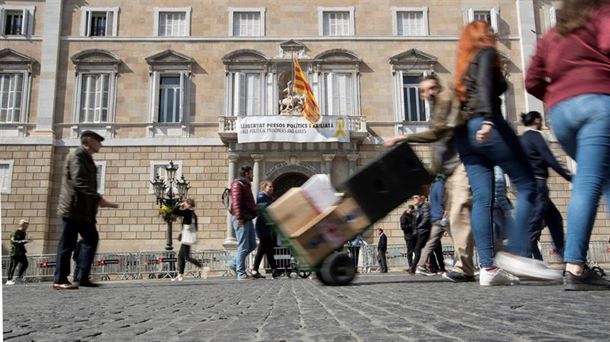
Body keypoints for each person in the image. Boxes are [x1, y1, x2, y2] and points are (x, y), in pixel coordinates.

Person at [453, 20, 560, 286]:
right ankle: (517, 253)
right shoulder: (487, 53)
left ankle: (488, 268)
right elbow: (487, 85)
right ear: (484, 36)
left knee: (482, 199)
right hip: (486, 124)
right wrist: (489, 119)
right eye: (490, 30)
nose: (495, 33)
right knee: (527, 185)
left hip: (464, 135)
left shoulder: (463, 66)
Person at [525, 0, 610, 290]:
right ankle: (574, 266)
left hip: (561, 113)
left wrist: (555, 95)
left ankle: (575, 263)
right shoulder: (603, 11)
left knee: (602, 178)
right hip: (597, 101)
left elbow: (531, 79)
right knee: (590, 181)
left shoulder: (553, 32)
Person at [385, 74, 476, 282]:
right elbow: (438, 148)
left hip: (462, 163)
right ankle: (469, 266)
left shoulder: (446, 100)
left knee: (460, 212)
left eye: (432, 87)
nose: (429, 93)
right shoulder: (436, 109)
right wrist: (431, 176)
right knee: (456, 219)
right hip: (448, 171)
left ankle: (484, 261)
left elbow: (438, 134)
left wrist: (403, 137)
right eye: (425, 90)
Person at [53, 130, 118, 290]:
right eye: (98, 141)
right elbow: (79, 182)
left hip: (84, 211)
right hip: (73, 208)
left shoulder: (86, 158)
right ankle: (60, 279)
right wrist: (99, 199)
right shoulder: (76, 156)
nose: (100, 144)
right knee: (67, 244)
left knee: (91, 239)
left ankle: (82, 276)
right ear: (88, 141)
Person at [519, 111, 572, 260]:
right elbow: (549, 158)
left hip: (530, 184)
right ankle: (526, 258)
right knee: (534, 224)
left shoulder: (522, 139)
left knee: (555, 219)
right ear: (537, 120)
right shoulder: (535, 136)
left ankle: (566, 257)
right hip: (538, 184)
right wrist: (569, 176)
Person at [228, 166, 258, 280]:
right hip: (241, 218)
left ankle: (234, 264)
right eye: (251, 173)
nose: (253, 175)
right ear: (246, 173)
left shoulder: (245, 185)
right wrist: (239, 217)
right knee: (243, 246)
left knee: (252, 245)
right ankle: (241, 273)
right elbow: (236, 201)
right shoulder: (237, 184)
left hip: (248, 218)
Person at [415, 176, 447, 276]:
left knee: (430, 244)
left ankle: (420, 266)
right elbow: (445, 201)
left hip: (435, 218)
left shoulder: (433, 187)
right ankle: (463, 266)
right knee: (461, 239)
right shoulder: (442, 185)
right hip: (444, 217)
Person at [251, 180, 279, 279]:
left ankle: (256, 270)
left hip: (267, 226)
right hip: (262, 227)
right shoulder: (261, 197)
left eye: (272, 187)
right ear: (264, 187)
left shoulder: (267, 198)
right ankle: (273, 270)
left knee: (265, 249)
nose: (272, 188)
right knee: (266, 248)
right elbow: (263, 212)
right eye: (269, 187)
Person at [172, 198, 202, 282]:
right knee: (181, 256)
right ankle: (180, 275)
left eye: (185, 203)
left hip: (187, 238)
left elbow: (174, 212)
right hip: (187, 237)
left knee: (186, 257)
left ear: (188, 205)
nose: (183, 205)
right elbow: (195, 227)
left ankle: (203, 267)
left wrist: (179, 205)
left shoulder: (188, 212)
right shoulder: (193, 214)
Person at [408, 195, 431, 274]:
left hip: (424, 231)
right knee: (428, 249)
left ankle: (413, 268)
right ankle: (433, 267)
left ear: (420, 198)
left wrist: (418, 227)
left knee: (417, 249)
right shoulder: (419, 208)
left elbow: (426, 218)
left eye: (415, 197)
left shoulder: (424, 206)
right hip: (421, 231)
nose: (413, 199)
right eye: (413, 198)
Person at [6, 219, 31, 285]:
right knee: (13, 265)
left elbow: (22, 241)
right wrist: (23, 241)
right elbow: (13, 241)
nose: (26, 228)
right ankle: (9, 280)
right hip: (15, 251)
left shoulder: (23, 232)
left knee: (25, 263)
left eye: (27, 226)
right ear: (22, 225)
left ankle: (18, 277)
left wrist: (27, 240)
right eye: (26, 226)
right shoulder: (15, 232)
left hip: (21, 251)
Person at [399, 205, 417, 272]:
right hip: (409, 236)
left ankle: (416, 265)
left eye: (413, 211)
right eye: (411, 211)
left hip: (415, 236)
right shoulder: (403, 217)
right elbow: (403, 227)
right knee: (410, 251)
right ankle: (410, 265)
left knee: (417, 251)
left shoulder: (412, 216)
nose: (412, 212)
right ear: (408, 209)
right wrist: (412, 225)